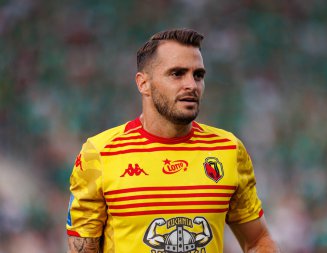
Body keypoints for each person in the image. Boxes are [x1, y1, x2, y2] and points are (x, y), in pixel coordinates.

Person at [66, 28, 280, 253]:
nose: (191, 85)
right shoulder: (100, 154)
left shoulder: (228, 150)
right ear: (143, 83)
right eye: (177, 74)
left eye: (198, 75)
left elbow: (258, 240)